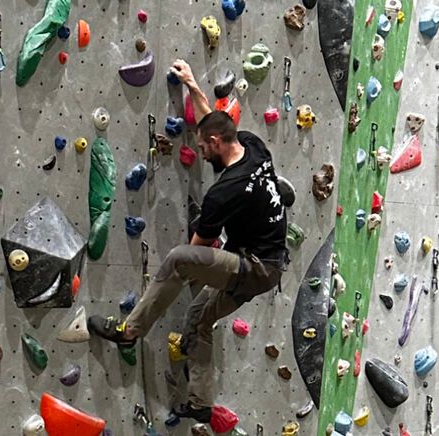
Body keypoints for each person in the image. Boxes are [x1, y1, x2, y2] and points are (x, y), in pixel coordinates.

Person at [88, 59, 289, 423]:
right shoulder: (252, 145)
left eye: (202, 147)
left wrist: (174, 275)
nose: (200, 151)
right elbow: (214, 120)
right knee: (198, 318)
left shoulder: (225, 192)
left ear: (215, 144)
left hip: (255, 267)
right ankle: (200, 403)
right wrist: (194, 86)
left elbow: (197, 249)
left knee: (180, 259)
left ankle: (129, 331)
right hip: (268, 263)